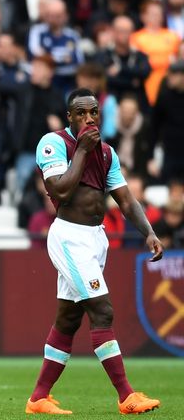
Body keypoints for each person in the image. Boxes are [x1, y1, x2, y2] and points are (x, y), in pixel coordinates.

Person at [26, 88, 163, 415]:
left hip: (95, 238)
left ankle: (39, 398)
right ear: (69, 116)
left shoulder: (107, 153)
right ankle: (126, 396)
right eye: (81, 113)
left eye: (93, 113)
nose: (89, 118)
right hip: (68, 237)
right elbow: (59, 188)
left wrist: (149, 232)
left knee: (69, 318)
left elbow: (126, 200)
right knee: (102, 311)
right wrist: (82, 152)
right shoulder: (54, 143)